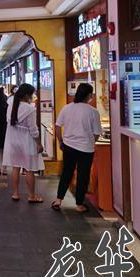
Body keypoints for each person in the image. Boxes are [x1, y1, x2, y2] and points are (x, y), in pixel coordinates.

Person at [52, 83, 102, 213]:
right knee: (83, 176)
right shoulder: (93, 112)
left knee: (66, 173)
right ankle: (79, 204)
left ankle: (58, 200)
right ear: (89, 95)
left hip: (69, 146)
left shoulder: (67, 108)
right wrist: (91, 142)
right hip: (86, 149)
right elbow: (97, 133)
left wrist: (61, 141)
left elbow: (57, 126)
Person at [2, 83, 44, 203]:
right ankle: (31, 196)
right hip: (26, 141)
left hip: (13, 141)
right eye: (31, 94)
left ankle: (15, 193)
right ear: (26, 95)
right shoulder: (30, 109)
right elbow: (33, 129)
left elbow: (8, 121)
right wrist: (39, 143)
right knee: (29, 169)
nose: (32, 96)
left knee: (15, 168)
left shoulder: (11, 104)